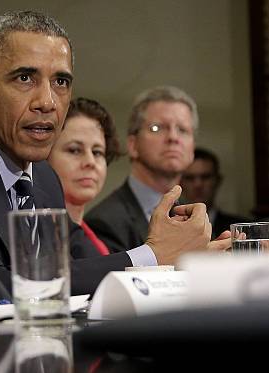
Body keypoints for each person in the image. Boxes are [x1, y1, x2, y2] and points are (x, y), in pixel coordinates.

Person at [0, 12, 220, 309]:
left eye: (61, 82)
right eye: (25, 78)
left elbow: (86, 266)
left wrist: (199, 258)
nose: (47, 102)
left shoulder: (42, 177)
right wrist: (154, 255)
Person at [85, 86, 216, 253]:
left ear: (192, 149)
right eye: (157, 128)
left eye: (182, 130)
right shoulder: (104, 222)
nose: (173, 138)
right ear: (133, 145)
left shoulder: (194, 217)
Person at [48, 97, 119, 255]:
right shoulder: (36, 237)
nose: (90, 162)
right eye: (74, 150)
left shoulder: (97, 242)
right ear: (45, 155)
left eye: (97, 152)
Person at [180, 147, 250, 237]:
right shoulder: (169, 229)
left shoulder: (242, 229)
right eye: (190, 178)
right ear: (180, 183)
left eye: (205, 177)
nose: (198, 184)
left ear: (218, 180)